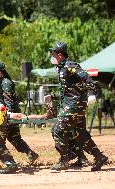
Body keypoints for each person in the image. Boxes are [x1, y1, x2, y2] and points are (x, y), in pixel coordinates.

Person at [49, 41, 108, 171]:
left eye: (52, 53)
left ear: (59, 54)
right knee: (80, 134)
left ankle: (65, 159)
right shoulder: (61, 67)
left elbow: (86, 78)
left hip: (74, 105)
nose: (51, 56)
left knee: (57, 130)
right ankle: (99, 157)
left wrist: (92, 93)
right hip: (72, 104)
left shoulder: (70, 65)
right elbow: (68, 90)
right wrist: (54, 97)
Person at [0, 61, 39, 167]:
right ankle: (31, 154)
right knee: (15, 139)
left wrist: (8, 117)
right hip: (8, 115)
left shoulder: (5, 83)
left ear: (0, 71)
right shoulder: (0, 82)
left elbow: (9, 102)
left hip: (9, 115)